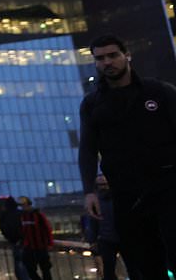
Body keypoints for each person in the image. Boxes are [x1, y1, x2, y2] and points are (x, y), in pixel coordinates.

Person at [79, 34, 176, 280]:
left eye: (113, 55)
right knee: (144, 263)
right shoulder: (93, 104)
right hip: (126, 194)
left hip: (168, 185)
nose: (107, 62)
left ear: (127, 56)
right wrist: (89, 190)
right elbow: (88, 148)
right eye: (100, 58)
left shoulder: (159, 92)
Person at [82, 175, 122, 280]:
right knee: (109, 270)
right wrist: (93, 241)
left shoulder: (105, 201)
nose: (103, 187)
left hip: (115, 237)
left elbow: (92, 223)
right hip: (107, 239)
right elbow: (92, 223)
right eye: (100, 185)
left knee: (110, 269)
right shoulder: (97, 202)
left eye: (104, 184)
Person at [18, 196, 53, 280]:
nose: (23, 207)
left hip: (40, 247)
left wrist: (49, 243)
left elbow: (47, 229)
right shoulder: (23, 216)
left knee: (44, 269)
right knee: (34, 269)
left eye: (24, 205)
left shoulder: (38, 215)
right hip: (31, 247)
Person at [0, 196, 30, 280]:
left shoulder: (4, 215)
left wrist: (8, 237)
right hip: (22, 241)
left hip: (13, 241)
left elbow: (2, 227)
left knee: (18, 262)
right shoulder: (20, 213)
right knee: (24, 262)